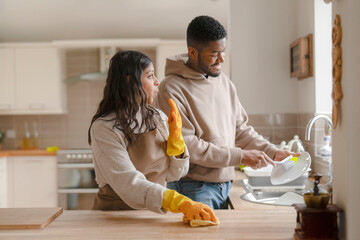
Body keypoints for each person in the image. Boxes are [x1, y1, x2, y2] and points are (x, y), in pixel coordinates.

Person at [154, 15, 297, 209]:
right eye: (214, 53)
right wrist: (241, 157)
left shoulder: (224, 82)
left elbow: (241, 131)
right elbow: (188, 146)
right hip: (192, 187)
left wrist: (273, 151)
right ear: (193, 52)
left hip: (225, 185)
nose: (221, 59)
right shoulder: (171, 89)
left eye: (223, 51)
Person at [88, 50, 217, 223]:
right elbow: (128, 184)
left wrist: (177, 142)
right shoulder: (105, 127)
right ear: (129, 81)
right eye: (150, 76)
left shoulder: (157, 117)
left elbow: (173, 175)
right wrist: (178, 201)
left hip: (152, 213)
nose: (157, 81)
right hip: (114, 217)